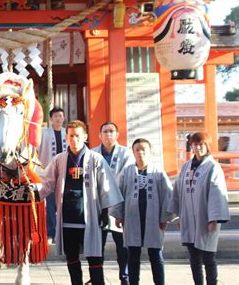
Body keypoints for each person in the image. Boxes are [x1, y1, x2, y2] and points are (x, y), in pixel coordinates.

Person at [37, 120, 123, 285]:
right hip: (68, 218)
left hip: (90, 217)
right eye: (70, 136)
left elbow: (106, 187)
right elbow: (47, 183)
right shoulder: (59, 159)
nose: (74, 139)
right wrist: (32, 195)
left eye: (77, 135)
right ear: (66, 137)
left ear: (84, 137)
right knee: (72, 259)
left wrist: (105, 212)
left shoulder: (96, 159)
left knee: (95, 259)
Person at [168, 132, 230, 285]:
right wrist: (180, 215)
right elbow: (179, 191)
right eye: (195, 144)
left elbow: (217, 193)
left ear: (207, 146)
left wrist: (214, 219)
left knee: (208, 257)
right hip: (189, 217)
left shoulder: (213, 167)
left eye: (201, 144)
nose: (198, 147)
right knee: (194, 257)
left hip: (206, 218)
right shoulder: (187, 166)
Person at [111, 138, 173, 285]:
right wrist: (118, 215)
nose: (140, 153)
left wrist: (165, 217)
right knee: (133, 254)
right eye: (137, 149)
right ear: (133, 152)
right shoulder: (127, 172)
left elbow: (167, 195)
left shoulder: (158, 172)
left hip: (153, 218)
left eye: (143, 149)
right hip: (132, 218)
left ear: (150, 152)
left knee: (156, 254)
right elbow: (118, 193)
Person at [92, 121, 134, 285]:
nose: (108, 134)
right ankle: (97, 277)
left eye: (111, 131)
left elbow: (125, 178)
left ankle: (125, 276)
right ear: (99, 135)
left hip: (118, 204)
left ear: (117, 135)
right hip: (98, 205)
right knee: (97, 246)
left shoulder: (126, 154)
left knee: (122, 245)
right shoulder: (93, 153)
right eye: (105, 131)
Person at [38, 107, 68, 243]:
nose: (58, 118)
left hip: (65, 173)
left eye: (60, 116)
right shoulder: (43, 133)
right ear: (51, 119)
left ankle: (62, 233)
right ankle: (51, 233)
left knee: (64, 204)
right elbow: (37, 151)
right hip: (49, 173)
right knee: (50, 204)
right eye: (55, 116)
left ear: (64, 118)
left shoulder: (67, 133)